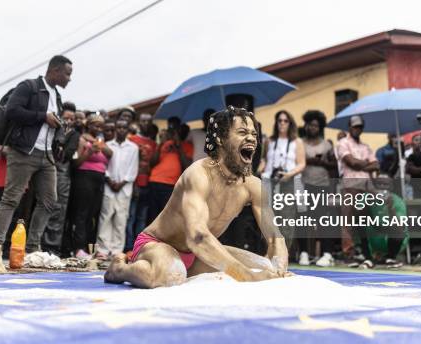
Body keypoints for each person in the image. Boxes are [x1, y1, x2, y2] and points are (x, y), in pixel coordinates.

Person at [104, 106, 289, 288]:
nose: (251, 138)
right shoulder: (199, 174)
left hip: (196, 254)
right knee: (171, 275)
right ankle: (119, 269)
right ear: (222, 140)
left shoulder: (253, 185)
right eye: (242, 132)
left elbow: (275, 238)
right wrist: (246, 276)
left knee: (266, 267)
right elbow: (197, 237)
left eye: (254, 134)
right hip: (157, 245)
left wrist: (279, 267)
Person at [0, 55, 72, 253]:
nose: (69, 78)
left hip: (47, 155)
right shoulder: (29, 86)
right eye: (67, 74)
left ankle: (32, 248)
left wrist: (59, 127)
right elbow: (12, 111)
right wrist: (43, 117)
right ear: (55, 70)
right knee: (11, 199)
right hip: (23, 152)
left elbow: (50, 123)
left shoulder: (56, 96)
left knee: (49, 201)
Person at [259, 110, 305, 259]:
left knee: (286, 218)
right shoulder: (269, 141)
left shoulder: (296, 142)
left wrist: (289, 174)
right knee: (268, 218)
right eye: (280, 120)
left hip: (289, 181)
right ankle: (269, 252)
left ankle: (282, 254)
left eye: (285, 121)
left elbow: (302, 164)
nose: (282, 123)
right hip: (270, 181)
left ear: (290, 123)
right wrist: (258, 171)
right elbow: (265, 160)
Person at [337, 115, 380, 265]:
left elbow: (376, 165)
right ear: (349, 127)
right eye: (355, 126)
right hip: (350, 186)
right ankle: (348, 255)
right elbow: (351, 162)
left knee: (363, 222)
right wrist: (366, 164)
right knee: (347, 222)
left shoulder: (366, 146)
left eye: (360, 126)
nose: (357, 129)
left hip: (366, 188)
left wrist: (361, 164)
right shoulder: (343, 143)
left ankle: (365, 253)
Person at [41, 102, 81, 256]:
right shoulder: (51, 129)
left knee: (58, 210)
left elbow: (66, 155)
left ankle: (52, 247)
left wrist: (61, 141)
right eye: (66, 118)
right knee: (44, 207)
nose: (68, 121)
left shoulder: (75, 134)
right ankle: (38, 244)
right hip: (46, 170)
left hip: (62, 175)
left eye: (72, 119)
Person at [96, 119, 139, 259]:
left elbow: (133, 169)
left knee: (121, 219)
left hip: (124, 188)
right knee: (106, 217)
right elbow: (104, 166)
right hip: (109, 186)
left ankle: (116, 250)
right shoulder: (108, 145)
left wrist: (121, 183)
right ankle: (102, 249)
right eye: (118, 127)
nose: (121, 130)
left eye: (123, 127)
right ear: (115, 129)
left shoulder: (133, 148)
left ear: (127, 130)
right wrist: (109, 180)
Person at [70, 114, 111, 258]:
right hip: (84, 177)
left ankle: (90, 248)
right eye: (95, 125)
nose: (99, 128)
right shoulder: (82, 140)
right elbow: (76, 163)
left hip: (99, 179)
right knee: (82, 213)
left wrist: (98, 144)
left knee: (93, 215)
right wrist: (90, 151)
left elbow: (110, 153)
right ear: (88, 125)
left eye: (101, 126)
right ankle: (78, 249)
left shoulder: (100, 140)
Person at [300, 110, 337, 267]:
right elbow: (296, 162)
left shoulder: (327, 145)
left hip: (322, 185)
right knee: (303, 219)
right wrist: (309, 160)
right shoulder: (299, 143)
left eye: (315, 125)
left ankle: (327, 254)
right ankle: (304, 253)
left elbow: (334, 166)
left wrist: (322, 163)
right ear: (306, 125)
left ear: (320, 127)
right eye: (310, 125)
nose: (312, 128)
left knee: (322, 220)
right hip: (303, 185)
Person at [147, 117, 193, 224]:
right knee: (152, 217)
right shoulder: (163, 144)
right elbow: (152, 163)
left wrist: (179, 146)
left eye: (176, 128)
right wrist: (160, 144)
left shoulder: (187, 145)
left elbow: (187, 165)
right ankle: (149, 240)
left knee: (166, 217)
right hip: (154, 181)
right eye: (170, 127)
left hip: (170, 185)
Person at [125, 113, 157, 252]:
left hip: (148, 184)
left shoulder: (154, 144)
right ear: (138, 122)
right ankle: (128, 246)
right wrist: (134, 184)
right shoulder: (131, 139)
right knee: (130, 217)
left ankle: (138, 248)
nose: (145, 123)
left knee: (142, 218)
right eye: (142, 121)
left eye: (148, 121)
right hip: (133, 183)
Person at [406, 134, 421, 198]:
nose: (419, 142)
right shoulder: (411, 156)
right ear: (412, 143)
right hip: (417, 184)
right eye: (416, 140)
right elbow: (410, 169)